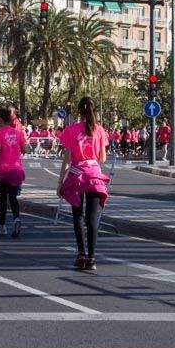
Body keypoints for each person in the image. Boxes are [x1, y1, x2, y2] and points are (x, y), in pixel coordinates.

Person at [56, 97, 111, 273]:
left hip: (76, 175)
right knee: (92, 219)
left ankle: (81, 254)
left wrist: (60, 181)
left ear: (78, 111)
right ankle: (92, 258)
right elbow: (102, 158)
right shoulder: (100, 130)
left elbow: (67, 157)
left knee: (77, 217)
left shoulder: (71, 130)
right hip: (94, 174)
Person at [0, 108, 28, 238]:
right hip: (16, 169)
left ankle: (2, 226)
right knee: (13, 198)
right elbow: (25, 148)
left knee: (2, 198)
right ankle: (16, 218)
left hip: (2, 169)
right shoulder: (18, 133)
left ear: (1, 120)